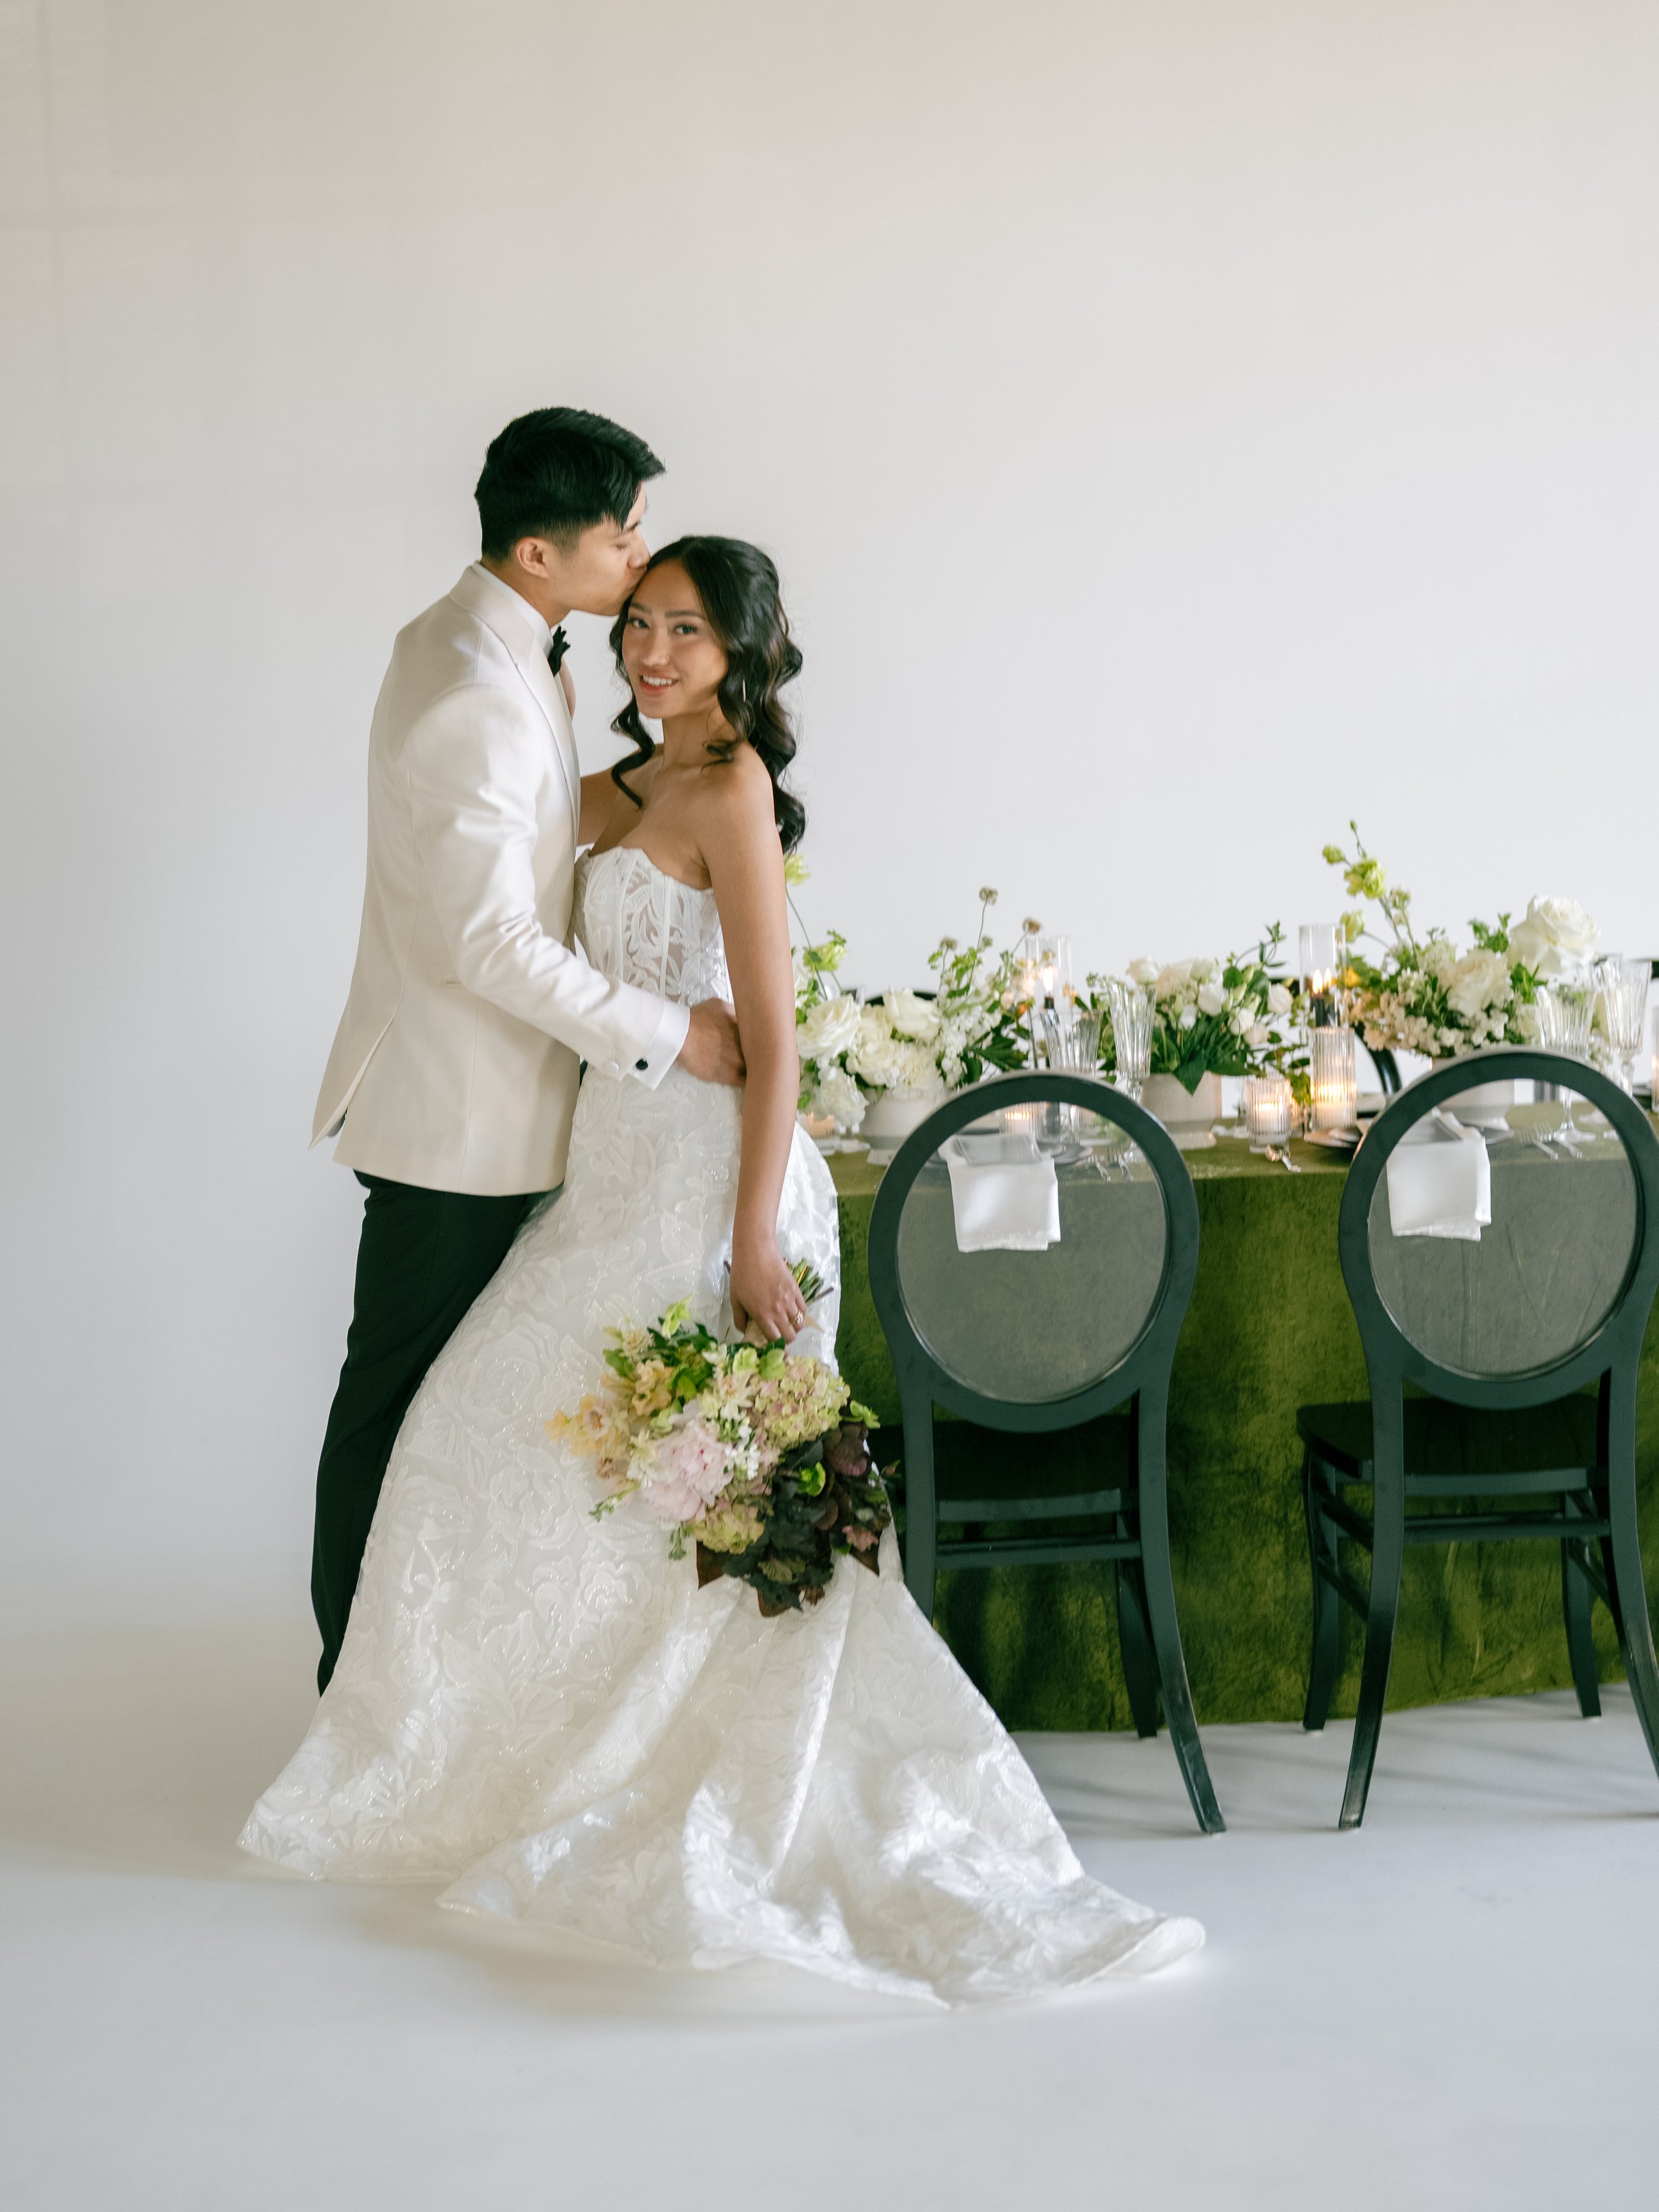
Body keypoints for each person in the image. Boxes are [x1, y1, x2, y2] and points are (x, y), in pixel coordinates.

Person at [244, 532, 1202, 2006]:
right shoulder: (605, 785)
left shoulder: (731, 788)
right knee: (484, 1431)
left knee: (700, 1477)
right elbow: (488, 898)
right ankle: (502, 1739)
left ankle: (694, 1748)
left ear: (741, 650)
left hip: (708, 1181)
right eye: (636, 623)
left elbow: (774, 1041)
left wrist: (752, 1236)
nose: (648, 652)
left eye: (682, 631)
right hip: (606, 1164)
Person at [307, 409, 745, 1693]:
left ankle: (437, 1678)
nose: (641, 553)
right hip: (462, 1120)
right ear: (545, 555)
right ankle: (353, 1687)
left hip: (519, 1111)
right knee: (393, 1414)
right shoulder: (472, 693)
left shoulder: (476, 639)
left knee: (461, 1417)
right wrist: (675, 1034)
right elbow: (492, 943)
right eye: (624, 535)